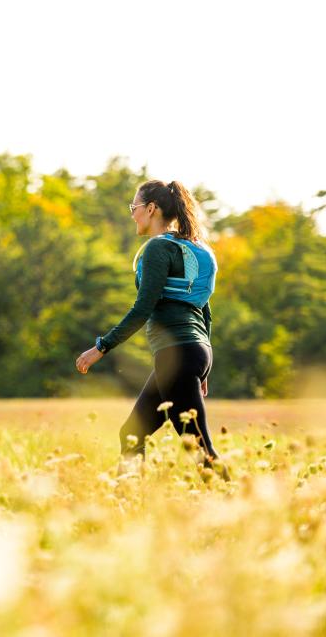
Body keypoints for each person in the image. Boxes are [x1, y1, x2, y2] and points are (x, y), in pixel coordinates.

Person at [74, 180, 224, 476]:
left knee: (199, 448)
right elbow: (203, 308)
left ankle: (237, 506)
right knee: (132, 434)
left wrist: (101, 347)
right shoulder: (197, 248)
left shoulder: (158, 248)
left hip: (178, 355)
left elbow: (143, 308)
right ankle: (128, 502)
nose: (132, 214)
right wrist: (202, 369)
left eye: (135, 207)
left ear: (151, 209)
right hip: (191, 353)